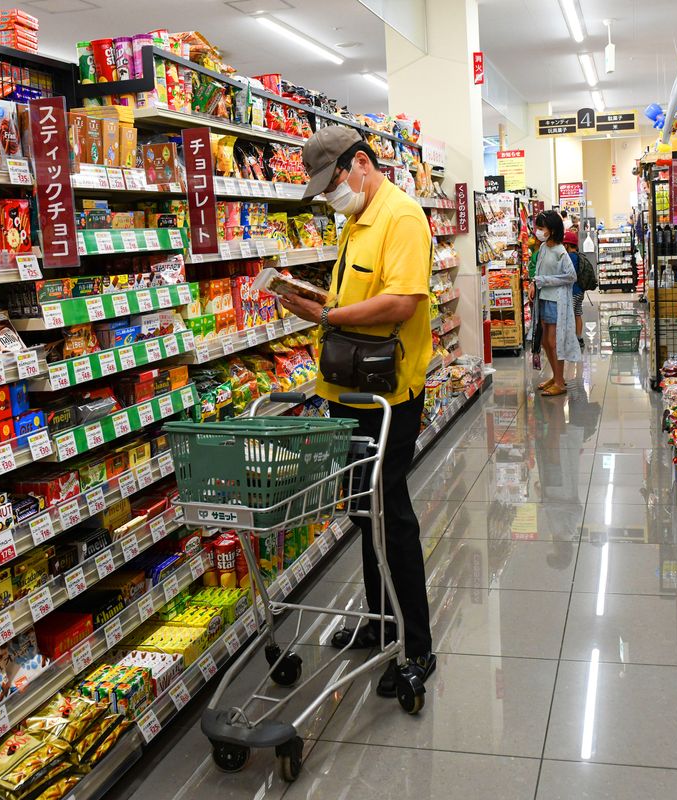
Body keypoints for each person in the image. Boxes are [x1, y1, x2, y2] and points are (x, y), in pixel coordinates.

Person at [275, 125, 436, 696]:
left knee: (391, 515)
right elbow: (353, 304)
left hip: (389, 397)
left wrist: (325, 318)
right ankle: (380, 622)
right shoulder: (355, 222)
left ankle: (416, 645)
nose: (330, 197)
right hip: (348, 390)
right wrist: (312, 304)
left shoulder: (402, 217)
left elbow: (399, 301)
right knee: (363, 513)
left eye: (332, 184)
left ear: (361, 164)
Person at [533, 210, 581, 395]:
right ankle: (555, 376)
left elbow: (571, 276)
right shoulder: (544, 248)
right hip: (543, 298)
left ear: (552, 230)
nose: (537, 231)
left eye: (541, 227)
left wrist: (545, 280)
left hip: (556, 301)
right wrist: (534, 283)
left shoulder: (561, 251)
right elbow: (539, 272)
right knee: (544, 340)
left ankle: (560, 382)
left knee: (554, 341)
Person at [563, 229, 586, 347]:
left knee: (570, 316)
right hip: (580, 291)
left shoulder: (569, 257)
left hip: (572, 292)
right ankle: (579, 337)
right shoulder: (578, 255)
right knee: (578, 314)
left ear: (566, 245)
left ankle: (571, 341)